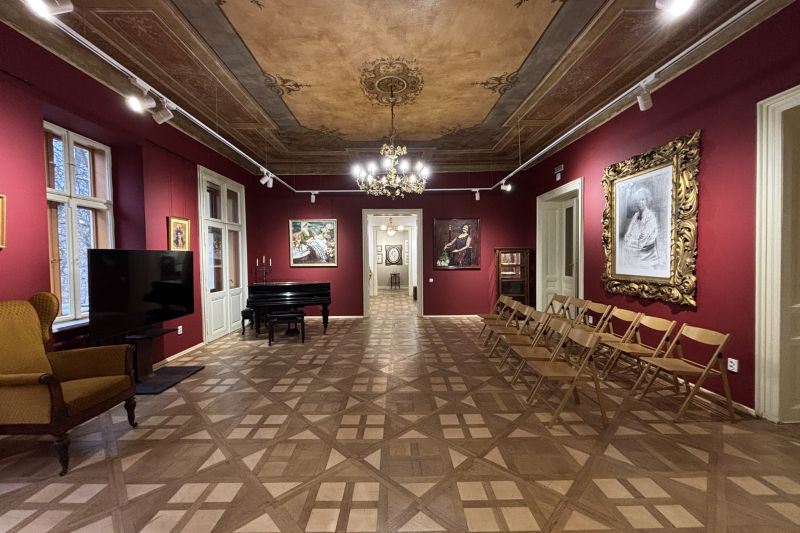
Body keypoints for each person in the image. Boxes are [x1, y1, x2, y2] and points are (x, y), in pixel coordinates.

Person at [622, 187, 659, 267]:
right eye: (638, 200)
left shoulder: (650, 216)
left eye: (642, 199)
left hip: (647, 255)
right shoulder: (636, 215)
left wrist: (632, 240)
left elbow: (643, 239)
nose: (640, 202)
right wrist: (629, 238)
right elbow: (628, 233)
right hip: (635, 251)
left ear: (647, 201)